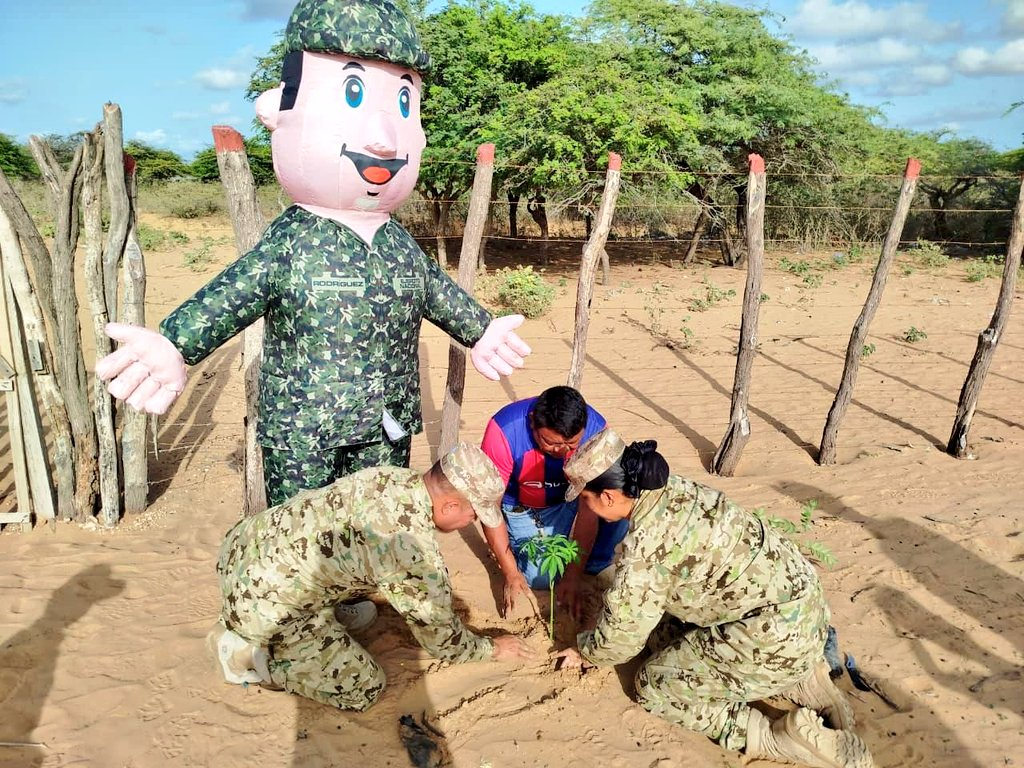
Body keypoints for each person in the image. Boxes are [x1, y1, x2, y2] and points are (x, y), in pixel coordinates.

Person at [94, 0, 530, 506]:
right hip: (306, 430)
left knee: (379, 532)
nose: (384, 139)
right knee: (299, 541)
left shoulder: (398, 244)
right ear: (279, 109)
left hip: (385, 425)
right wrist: (176, 343)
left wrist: (480, 328)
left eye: (404, 103)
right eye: (352, 93)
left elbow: (432, 290)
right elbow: (235, 293)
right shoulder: (292, 244)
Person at [556, 430, 875, 768]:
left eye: (584, 498)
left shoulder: (646, 549)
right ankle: (807, 681)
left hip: (774, 638)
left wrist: (585, 648)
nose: (583, 506)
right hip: (805, 613)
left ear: (607, 496)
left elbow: (620, 640)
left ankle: (772, 737)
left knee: (656, 686)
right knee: (664, 634)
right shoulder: (672, 489)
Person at [209, 443, 533, 711]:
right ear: (449, 506)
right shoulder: (410, 547)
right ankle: (249, 657)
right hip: (262, 600)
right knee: (363, 689)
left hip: (244, 547)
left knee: (362, 601)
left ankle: (319, 614)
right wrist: (491, 649)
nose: (471, 521)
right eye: (473, 514)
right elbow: (442, 640)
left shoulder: (394, 478)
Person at [480, 386, 626, 616]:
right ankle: (517, 547)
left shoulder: (597, 430)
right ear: (532, 423)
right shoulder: (503, 431)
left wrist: (574, 575)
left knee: (618, 504)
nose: (562, 451)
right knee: (541, 578)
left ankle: (595, 563)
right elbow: (489, 506)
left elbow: (591, 509)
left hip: (573, 499)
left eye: (572, 444)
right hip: (522, 506)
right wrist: (510, 573)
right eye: (552, 443)